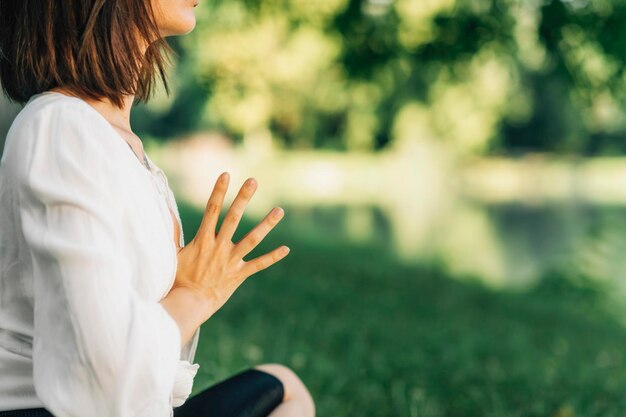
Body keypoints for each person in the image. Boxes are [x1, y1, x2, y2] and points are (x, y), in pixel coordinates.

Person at [0, 1, 316, 416]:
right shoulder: (60, 128)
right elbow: (101, 381)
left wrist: (177, 297)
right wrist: (194, 295)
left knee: (284, 388)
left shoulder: (111, 138)